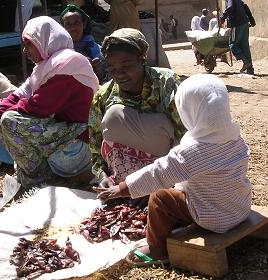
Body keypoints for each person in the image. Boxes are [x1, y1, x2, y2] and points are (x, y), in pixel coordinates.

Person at [94, 74, 252, 265]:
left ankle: (157, 249)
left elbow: (157, 174)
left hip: (214, 219)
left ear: (189, 109)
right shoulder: (235, 137)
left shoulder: (192, 151)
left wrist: (120, 189)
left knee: (160, 197)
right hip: (240, 208)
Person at [0, 16, 99, 188]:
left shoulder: (68, 63)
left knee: (9, 121)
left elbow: (36, 107)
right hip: (67, 138)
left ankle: (40, 180)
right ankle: (44, 177)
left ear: (43, 40)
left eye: (28, 43)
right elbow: (19, 95)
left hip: (80, 145)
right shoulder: (45, 68)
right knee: (5, 117)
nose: (24, 50)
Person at [88, 28, 185, 204]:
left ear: (142, 59)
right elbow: (95, 146)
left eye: (126, 66)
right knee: (112, 116)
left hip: (167, 172)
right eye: (112, 67)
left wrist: (163, 184)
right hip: (122, 178)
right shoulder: (104, 95)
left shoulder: (166, 83)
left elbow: (184, 136)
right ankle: (126, 188)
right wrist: (103, 176)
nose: (119, 74)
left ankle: (152, 190)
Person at [61, 4, 108, 83]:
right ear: (63, 28)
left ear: (84, 24)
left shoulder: (98, 50)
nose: (73, 28)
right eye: (68, 24)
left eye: (77, 23)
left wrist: (99, 71)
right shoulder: (60, 52)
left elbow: (108, 78)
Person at [220, 0, 256, 74]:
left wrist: (223, 17)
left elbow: (230, 7)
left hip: (236, 24)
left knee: (233, 45)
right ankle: (250, 69)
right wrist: (251, 19)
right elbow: (245, 6)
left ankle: (246, 62)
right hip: (244, 23)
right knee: (245, 46)